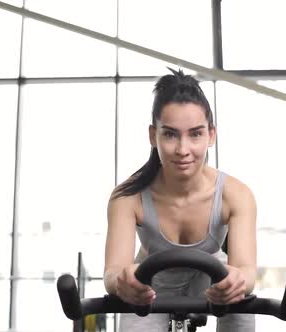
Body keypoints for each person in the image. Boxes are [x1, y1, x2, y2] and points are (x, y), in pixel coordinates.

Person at [103, 68, 257, 331]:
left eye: (195, 134)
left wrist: (238, 281)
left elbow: (246, 269)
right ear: (154, 136)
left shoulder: (237, 194)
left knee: (240, 302)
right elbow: (113, 272)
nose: (183, 150)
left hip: (212, 276)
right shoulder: (127, 197)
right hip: (151, 283)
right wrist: (122, 281)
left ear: (211, 135)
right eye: (170, 134)